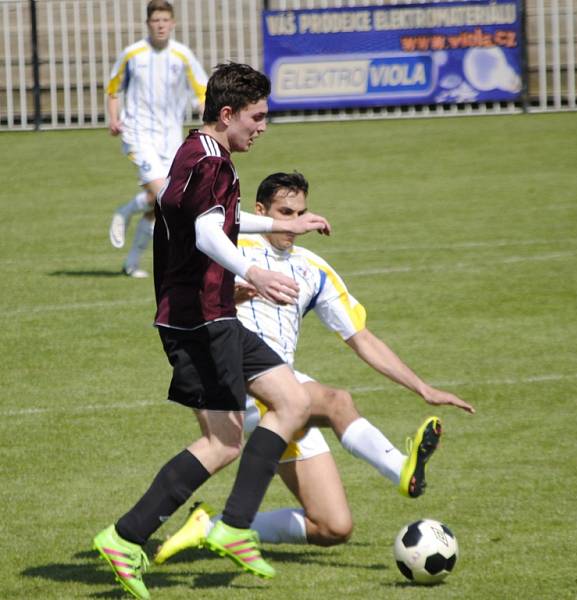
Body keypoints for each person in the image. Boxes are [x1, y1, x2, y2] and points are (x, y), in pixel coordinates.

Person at [92, 64, 331, 600]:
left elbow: (219, 218)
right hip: (200, 320)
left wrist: (281, 224)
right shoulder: (213, 164)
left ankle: (234, 526)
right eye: (257, 116)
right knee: (223, 441)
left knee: (292, 400)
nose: (263, 127)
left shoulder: (195, 153)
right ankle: (126, 536)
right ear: (228, 114)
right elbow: (206, 232)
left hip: (212, 313)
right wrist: (255, 272)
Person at [151, 171, 475, 561]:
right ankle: (402, 470)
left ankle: (214, 526)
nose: (293, 224)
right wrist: (227, 295)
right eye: (284, 213)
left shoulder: (313, 269)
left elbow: (362, 338)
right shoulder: (231, 250)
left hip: (285, 398)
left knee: (333, 527)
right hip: (240, 385)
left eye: (300, 213)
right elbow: (181, 300)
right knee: (337, 401)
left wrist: (422, 387)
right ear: (261, 211)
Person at [106, 0, 208, 278]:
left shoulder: (183, 55)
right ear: (148, 23)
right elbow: (113, 88)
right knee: (163, 194)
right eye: (156, 20)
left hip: (170, 138)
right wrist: (114, 119)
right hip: (138, 134)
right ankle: (125, 212)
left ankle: (131, 263)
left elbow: (202, 88)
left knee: (162, 202)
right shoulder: (133, 54)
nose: (161, 25)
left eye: (165, 20)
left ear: (172, 23)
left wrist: (203, 106)